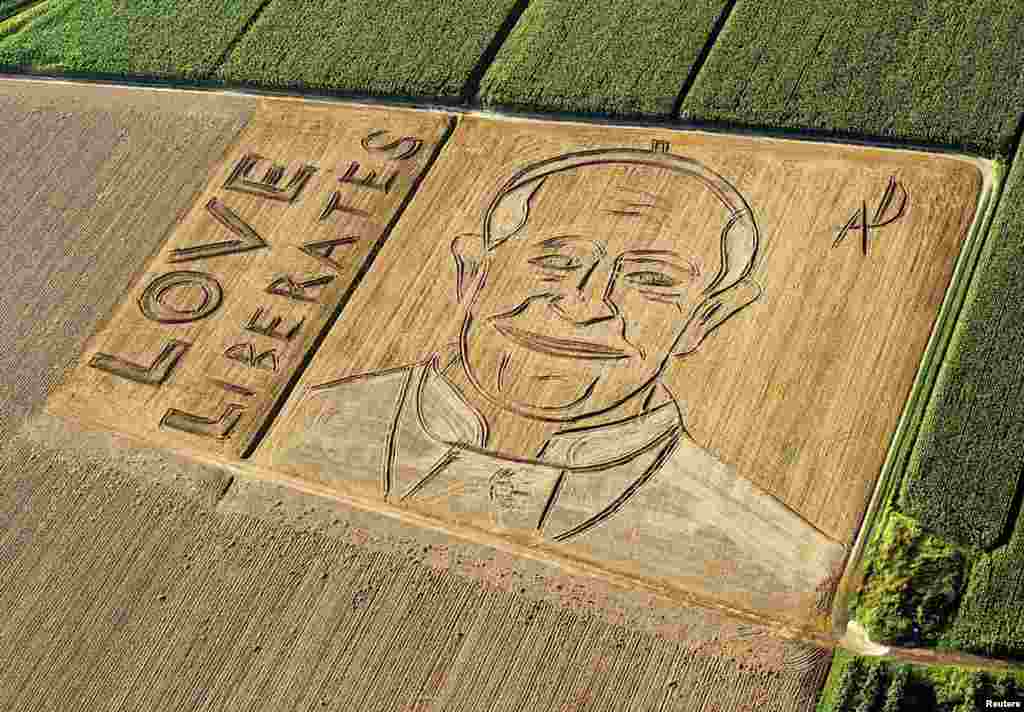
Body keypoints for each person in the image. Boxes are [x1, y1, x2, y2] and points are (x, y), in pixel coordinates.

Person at [271, 144, 845, 616]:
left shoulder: (775, 560)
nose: (585, 304)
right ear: (473, 273)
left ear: (704, 320)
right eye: (558, 261)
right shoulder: (311, 421)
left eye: (650, 279)